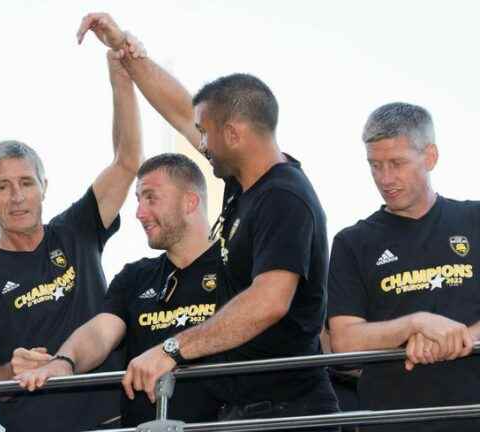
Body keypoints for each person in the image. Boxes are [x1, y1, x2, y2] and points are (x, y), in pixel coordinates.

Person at [75, 13, 340, 428]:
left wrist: (172, 348)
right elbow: (183, 109)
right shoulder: (245, 183)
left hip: (289, 413)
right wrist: (127, 52)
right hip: (245, 410)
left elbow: (270, 300)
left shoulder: (283, 197)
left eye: (205, 134)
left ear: (233, 134)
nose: (199, 143)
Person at [0, 48, 144, 432]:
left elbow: (127, 161)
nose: (17, 197)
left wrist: (121, 79)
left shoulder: (77, 229)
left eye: (26, 183)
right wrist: (9, 371)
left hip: (113, 419)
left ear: (44, 187)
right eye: (2, 187)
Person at [16, 153, 233, 426]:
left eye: (151, 198)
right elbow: (100, 332)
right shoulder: (135, 276)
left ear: (190, 202)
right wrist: (64, 362)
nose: (139, 213)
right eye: (138, 200)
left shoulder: (235, 269)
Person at [327, 102, 480, 432]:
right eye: (375, 165)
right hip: (391, 421)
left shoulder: (475, 220)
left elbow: (454, 338)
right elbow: (343, 343)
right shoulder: (352, 242)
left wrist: (458, 338)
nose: (385, 178)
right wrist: (414, 324)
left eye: (397, 164)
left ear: (431, 157)